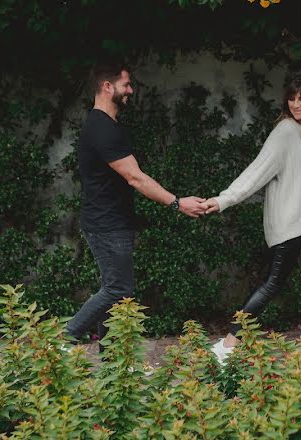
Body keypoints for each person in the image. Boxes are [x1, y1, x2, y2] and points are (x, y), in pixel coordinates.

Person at [204, 72, 301, 363]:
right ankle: (227, 345)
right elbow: (256, 172)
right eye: (291, 99)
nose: (296, 105)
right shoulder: (284, 132)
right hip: (289, 222)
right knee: (273, 283)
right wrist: (222, 200)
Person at [66, 62, 207, 349]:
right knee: (118, 290)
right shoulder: (102, 128)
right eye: (126, 84)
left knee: (114, 292)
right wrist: (178, 203)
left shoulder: (105, 125)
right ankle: (63, 338)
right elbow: (135, 178)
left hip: (110, 221)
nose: (131, 90)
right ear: (108, 87)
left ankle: (113, 366)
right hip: (107, 224)